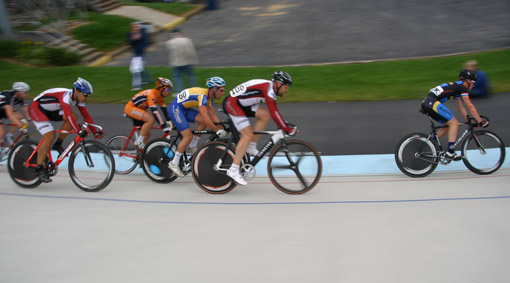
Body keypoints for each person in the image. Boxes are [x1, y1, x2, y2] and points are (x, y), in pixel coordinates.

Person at [223, 71, 297, 185]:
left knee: (264, 115)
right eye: (286, 87)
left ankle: (251, 147)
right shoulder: (269, 90)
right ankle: (233, 169)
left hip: (241, 103)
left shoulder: (270, 88)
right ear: (278, 84)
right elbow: (275, 112)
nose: (287, 90)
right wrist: (287, 129)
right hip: (232, 103)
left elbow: (273, 113)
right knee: (247, 135)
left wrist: (284, 126)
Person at [29, 77, 104, 182]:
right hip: (37, 109)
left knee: (74, 117)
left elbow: (86, 116)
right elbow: (68, 115)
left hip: (51, 110)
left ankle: (58, 144)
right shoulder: (65, 97)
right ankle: (39, 169)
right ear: (77, 91)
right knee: (49, 136)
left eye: (88, 96)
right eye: (85, 95)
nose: (87, 98)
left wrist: (95, 132)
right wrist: (79, 131)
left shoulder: (78, 98)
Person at [421, 69, 489, 161]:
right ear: (468, 81)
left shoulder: (457, 87)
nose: (473, 85)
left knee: (449, 125)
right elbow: (470, 106)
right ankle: (450, 152)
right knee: (454, 123)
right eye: (473, 83)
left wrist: (468, 119)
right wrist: (480, 121)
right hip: (432, 102)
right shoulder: (462, 87)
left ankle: (430, 144)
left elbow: (461, 107)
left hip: (429, 102)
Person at [167, 76, 227, 177]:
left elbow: (213, 116)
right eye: (221, 90)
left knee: (204, 121)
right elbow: (205, 115)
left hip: (184, 109)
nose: (223, 92)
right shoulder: (203, 96)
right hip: (176, 109)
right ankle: (174, 163)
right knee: (188, 136)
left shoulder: (210, 98)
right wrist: (216, 130)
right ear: (214, 88)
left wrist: (222, 127)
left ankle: (191, 146)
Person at [124, 77, 173, 148]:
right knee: (150, 119)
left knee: (147, 133)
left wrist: (171, 122)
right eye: (168, 89)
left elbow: (165, 112)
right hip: (131, 108)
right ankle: (139, 141)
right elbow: (155, 113)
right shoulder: (152, 95)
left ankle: (141, 153)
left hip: (140, 109)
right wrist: (163, 126)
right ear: (161, 88)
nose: (169, 92)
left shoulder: (160, 98)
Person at [165, 28, 199, 93]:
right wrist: (194, 61)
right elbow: (191, 52)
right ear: (180, 33)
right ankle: (194, 90)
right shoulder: (187, 40)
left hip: (176, 63)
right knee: (191, 76)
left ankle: (179, 91)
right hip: (187, 62)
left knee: (177, 78)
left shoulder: (170, 42)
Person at [0, 82, 31, 146]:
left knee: (19, 117)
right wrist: (20, 125)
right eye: (25, 93)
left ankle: (8, 136)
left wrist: (30, 119)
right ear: (17, 92)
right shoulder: (9, 96)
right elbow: (10, 114)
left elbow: (25, 108)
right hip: (3, 109)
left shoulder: (20, 96)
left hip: (2, 109)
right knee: (1, 133)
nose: (26, 94)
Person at [128, 22, 152, 91]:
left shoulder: (142, 33)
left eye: (137, 27)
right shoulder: (131, 34)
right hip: (136, 53)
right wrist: (134, 39)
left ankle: (142, 82)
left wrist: (138, 39)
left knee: (139, 68)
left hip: (141, 53)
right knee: (142, 67)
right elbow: (130, 43)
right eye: (134, 27)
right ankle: (148, 80)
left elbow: (145, 42)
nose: (136, 28)